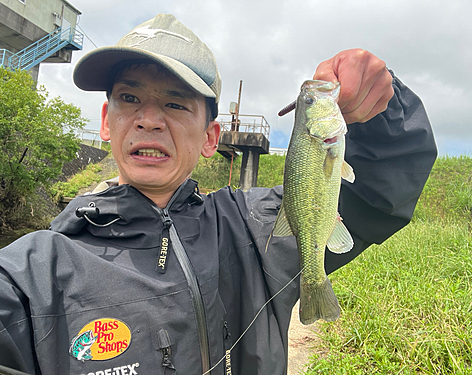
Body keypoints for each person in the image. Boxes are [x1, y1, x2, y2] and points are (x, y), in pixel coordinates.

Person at [0, 14, 436, 375]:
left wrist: (386, 103)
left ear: (211, 137)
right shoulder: (31, 275)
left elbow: (384, 189)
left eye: (175, 104)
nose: (148, 119)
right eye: (129, 97)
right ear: (105, 121)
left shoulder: (251, 229)